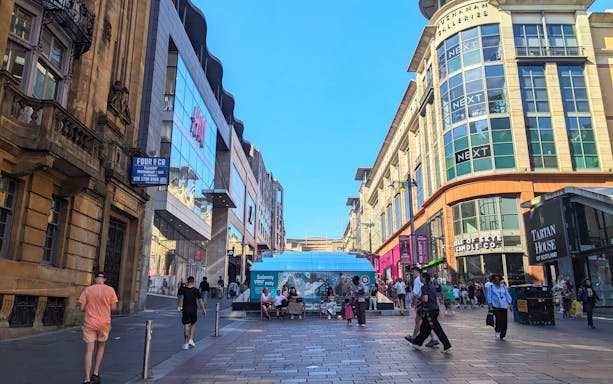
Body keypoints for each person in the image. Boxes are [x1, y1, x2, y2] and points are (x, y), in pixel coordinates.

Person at [78, 272, 118, 384]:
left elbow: (81, 307)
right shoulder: (110, 290)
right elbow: (113, 308)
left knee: (89, 350)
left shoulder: (88, 290)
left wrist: (90, 308)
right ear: (104, 279)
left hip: (90, 322)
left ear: (95, 279)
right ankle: (95, 373)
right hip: (104, 323)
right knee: (101, 347)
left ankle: (86, 379)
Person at [408, 272, 453, 353]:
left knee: (437, 329)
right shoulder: (432, 286)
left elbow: (425, 299)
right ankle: (417, 342)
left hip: (429, 310)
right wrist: (439, 309)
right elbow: (436, 298)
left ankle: (447, 346)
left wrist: (419, 300)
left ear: (424, 278)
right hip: (434, 309)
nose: (420, 279)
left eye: (421, 277)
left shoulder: (424, 287)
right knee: (425, 328)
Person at [178, 276, 206, 349]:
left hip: (185, 310)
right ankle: (191, 339)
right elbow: (200, 301)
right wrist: (203, 309)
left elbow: (180, 296)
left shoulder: (184, 290)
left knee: (186, 325)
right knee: (193, 324)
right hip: (193, 310)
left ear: (188, 282)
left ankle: (186, 342)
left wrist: (179, 306)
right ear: (193, 282)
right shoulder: (196, 291)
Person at [486, 274, 512, 340]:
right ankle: (497, 330)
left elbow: (507, 294)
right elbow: (489, 295)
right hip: (496, 305)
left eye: (498, 280)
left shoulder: (503, 286)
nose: (496, 281)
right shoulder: (491, 287)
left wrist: (509, 303)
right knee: (499, 319)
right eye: (495, 280)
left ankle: (503, 335)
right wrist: (490, 304)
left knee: (504, 321)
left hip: (504, 305)